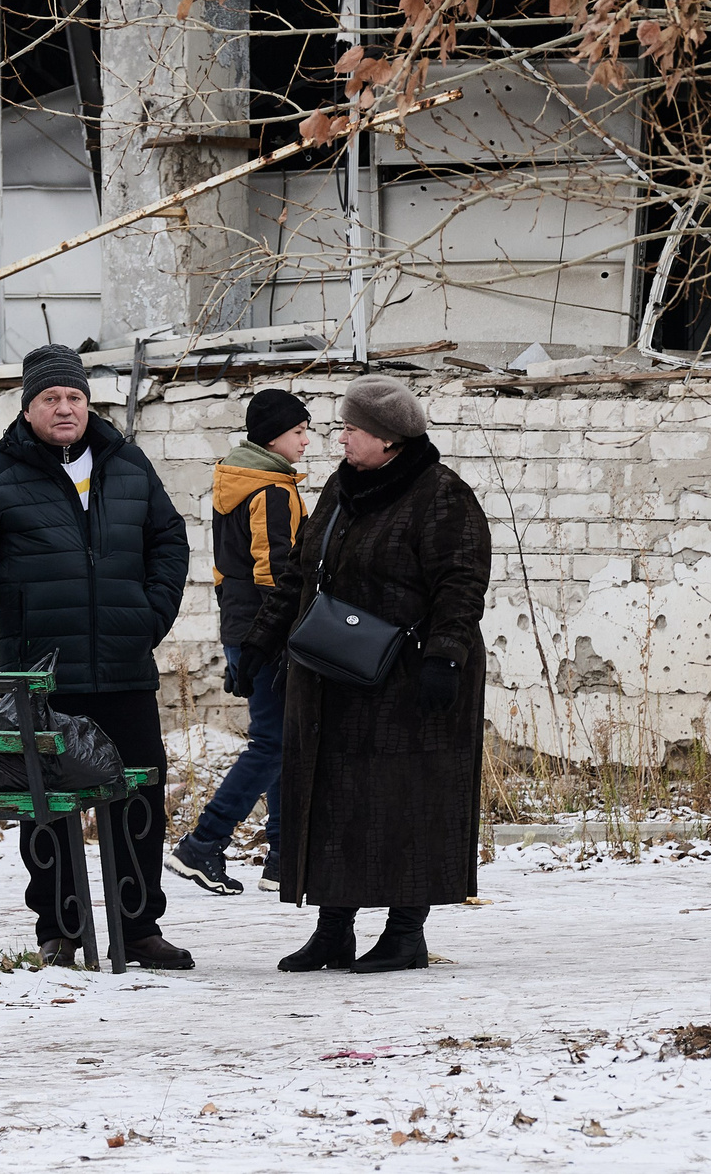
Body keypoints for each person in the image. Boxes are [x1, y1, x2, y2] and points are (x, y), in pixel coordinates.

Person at [0, 343, 196, 968]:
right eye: (50, 398)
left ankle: (138, 928)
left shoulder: (128, 464)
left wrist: (149, 618)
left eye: (74, 396)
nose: (65, 408)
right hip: (41, 677)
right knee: (45, 803)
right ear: (28, 408)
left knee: (138, 798)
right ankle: (60, 928)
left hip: (125, 670)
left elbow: (169, 541)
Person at [243, 374, 491, 973]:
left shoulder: (440, 494)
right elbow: (302, 570)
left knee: (408, 798)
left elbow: (461, 582)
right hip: (333, 669)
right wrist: (261, 640)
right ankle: (334, 930)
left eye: (351, 429)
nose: (340, 439)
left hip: (411, 676)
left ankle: (406, 933)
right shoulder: (341, 487)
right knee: (333, 796)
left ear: (387, 438)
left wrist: (445, 657)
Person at [166, 388, 312, 896]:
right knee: (274, 743)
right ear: (273, 437)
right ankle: (202, 844)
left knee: (282, 740)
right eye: (299, 432)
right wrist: (272, 639)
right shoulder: (271, 490)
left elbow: (225, 570)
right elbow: (276, 573)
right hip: (268, 633)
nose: (306, 441)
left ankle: (281, 859)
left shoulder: (233, 481)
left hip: (243, 627)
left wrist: (240, 638)